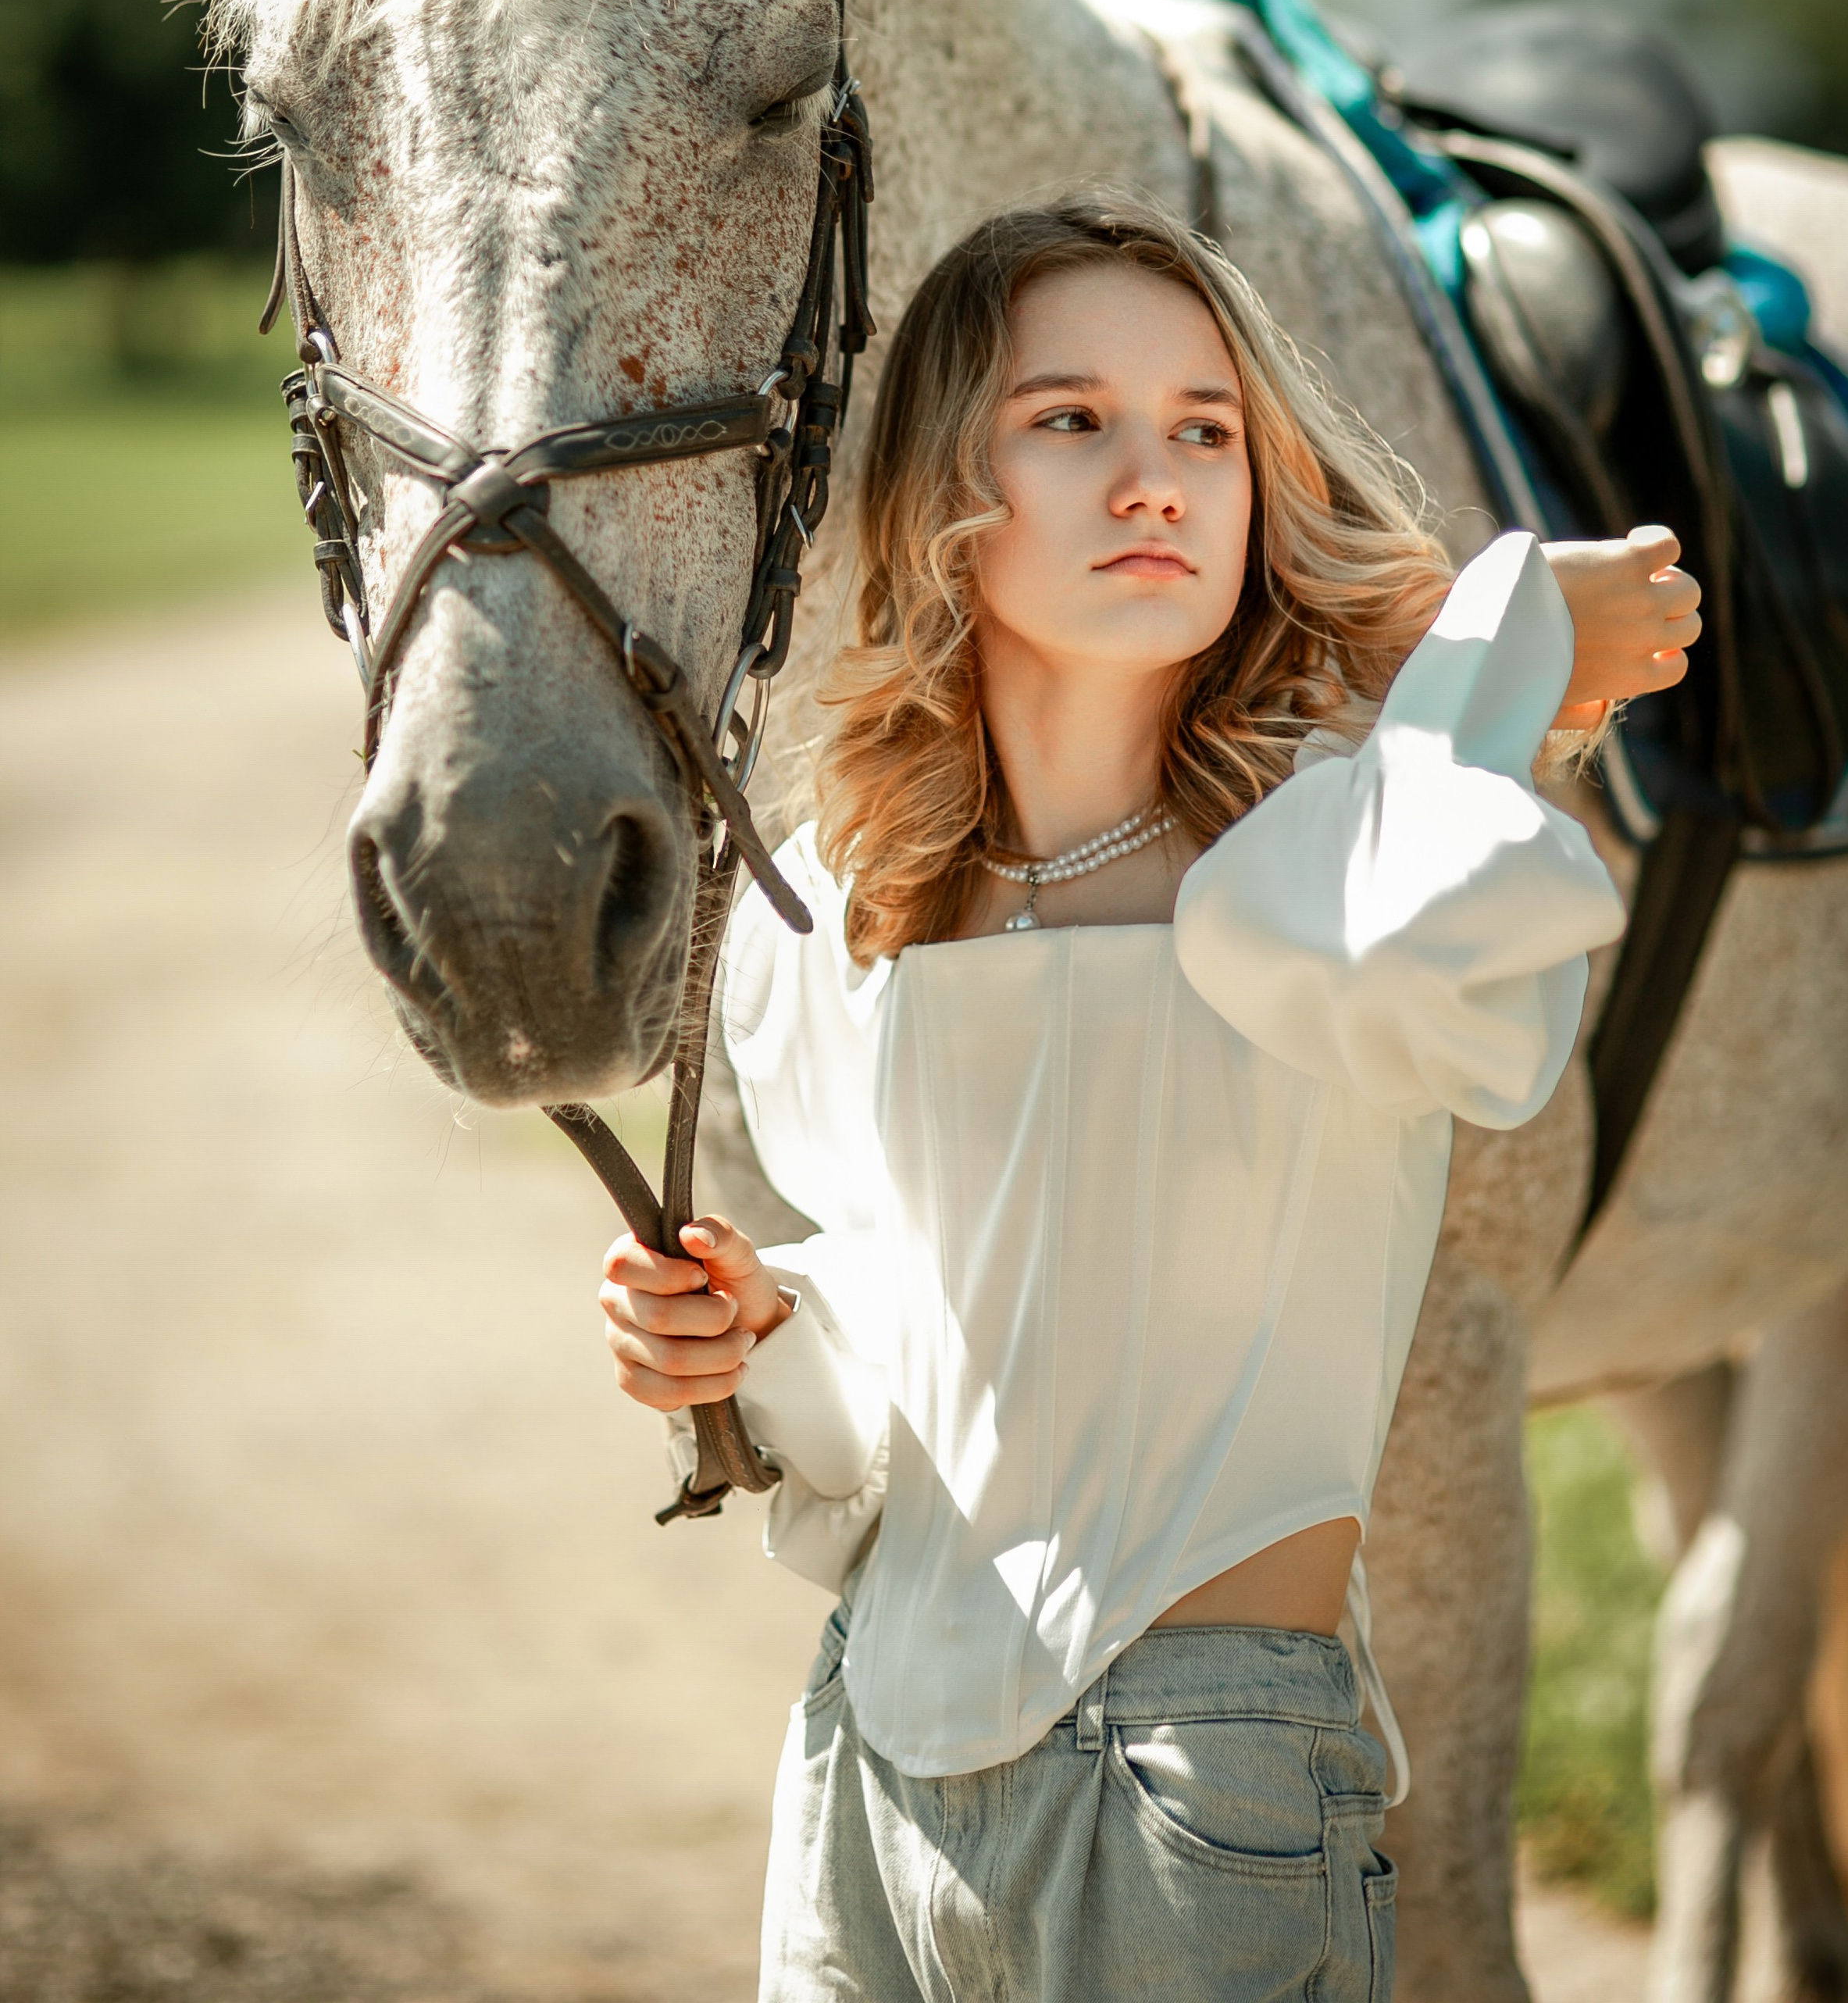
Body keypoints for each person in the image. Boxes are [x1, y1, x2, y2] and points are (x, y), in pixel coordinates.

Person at [598, 197, 1697, 2001]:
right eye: (1068, 420)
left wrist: (1484, 655)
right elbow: (899, 1390)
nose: (1153, 480)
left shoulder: (1333, 840)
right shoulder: (841, 902)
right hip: (865, 1772)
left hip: (1194, 1789)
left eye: (1203, 429)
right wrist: (752, 1333)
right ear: (940, 489)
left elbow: (1331, 946)